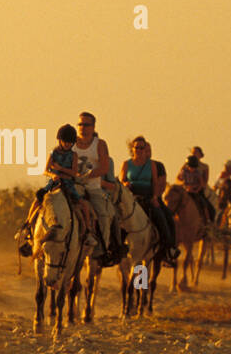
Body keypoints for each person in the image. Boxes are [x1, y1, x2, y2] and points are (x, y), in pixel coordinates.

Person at [30, 124, 98, 243]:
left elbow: (73, 172)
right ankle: (27, 226)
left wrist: (60, 168)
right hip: (54, 182)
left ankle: (87, 231)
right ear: (60, 140)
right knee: (37, 200)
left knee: (84, 205)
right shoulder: (53, 153)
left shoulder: (74, 155)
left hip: (68, 183)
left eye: (70, 142)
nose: (67, 144)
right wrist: (53, 175)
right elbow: (45, 170)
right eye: (65, 141)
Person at [120, 136, 179, 264]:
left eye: (142, 147)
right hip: (131, 198)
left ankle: (169, 248)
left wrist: (155, 197)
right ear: (132, 149)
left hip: (147, 198)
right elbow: (121, 181)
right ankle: (113, 247)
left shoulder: (151, 164)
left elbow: (156, 183)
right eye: (137, 147)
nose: (140, 150)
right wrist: (125, 184)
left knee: (165, 218)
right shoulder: (126, 164)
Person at [73, 112, 121, 265]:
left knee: (103, 216)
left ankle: (102, 250)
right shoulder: (70, 142)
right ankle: (30, 235)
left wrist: (87, 175)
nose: (82, 128)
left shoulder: (99, 144)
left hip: (92, 188)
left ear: (93, 127)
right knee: (48, 202)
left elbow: (104, 168)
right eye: (80, 124)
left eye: (86, 125)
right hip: (72, 186)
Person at [176, 146, 214, 235]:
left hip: (197, 190)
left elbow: (203, 182)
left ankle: (207, 222)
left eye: (196, 153)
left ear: (200, 155)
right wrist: (184, 185)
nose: (193, 154)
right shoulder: (185, 166)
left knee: (204, 204)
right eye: (192, 153)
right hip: (186, 190)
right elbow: (178, 178)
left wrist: (196, 188)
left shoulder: (203, 167)